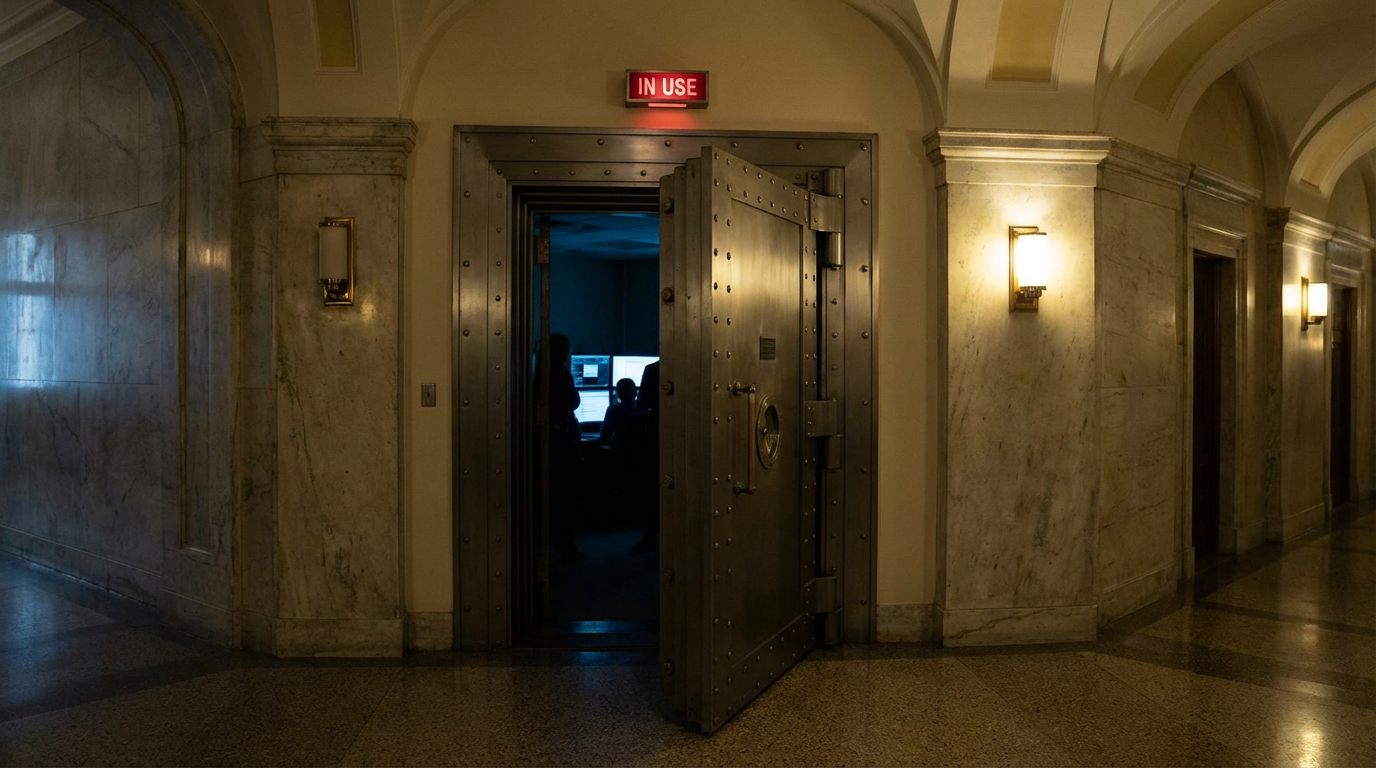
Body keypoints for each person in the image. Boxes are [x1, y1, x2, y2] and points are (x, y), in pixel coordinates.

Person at [537, 333, 586, 562]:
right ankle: (566, 545)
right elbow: (573, 402)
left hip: (548, 439)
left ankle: (552, 543)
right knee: (565, 495)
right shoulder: (560, 372)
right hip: (562, 442)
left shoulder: (539, 371)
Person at [599, 378, 640, 443]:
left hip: (621, 449)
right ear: (635, 392)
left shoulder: (613, 410)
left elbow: (604, 435)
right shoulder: (643, 410)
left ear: (618, 393)